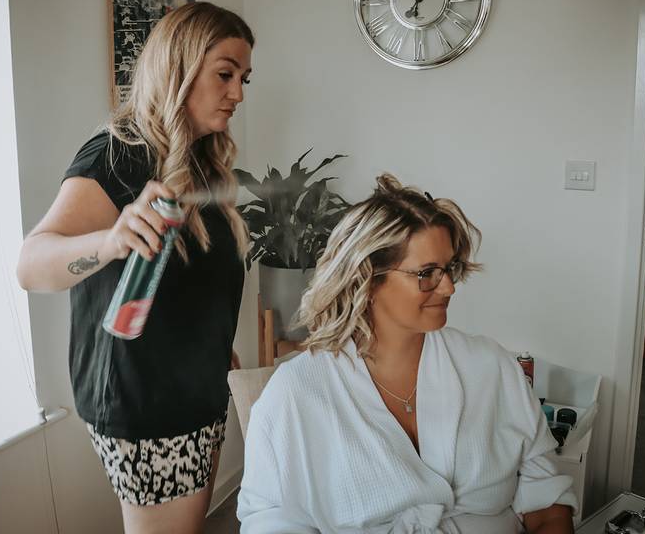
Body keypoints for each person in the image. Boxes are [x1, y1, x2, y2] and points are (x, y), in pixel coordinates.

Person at [17, 2, 253, 534]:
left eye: (243, 77)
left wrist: (219, 346)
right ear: (179, 67)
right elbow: (31, 266)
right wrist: (109, 239)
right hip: (147, 402)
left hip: (197, 385)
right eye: (224, 74)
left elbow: (194, 279)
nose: (238, 93)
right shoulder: (116, 155)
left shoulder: (199, 159)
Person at [237, 174, 577, 534]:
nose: (448, 287)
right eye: (426, 273)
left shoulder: (491, 367)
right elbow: (271, 522)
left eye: (448, 269)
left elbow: (546, 495)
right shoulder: (296, 394)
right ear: (367, 280)